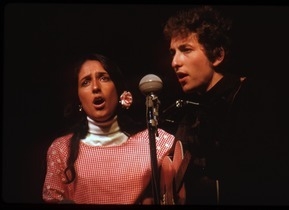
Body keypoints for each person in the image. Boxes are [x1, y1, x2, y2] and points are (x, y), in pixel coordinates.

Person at [162, 5, 289, 205]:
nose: (175, 62)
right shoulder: (189, 116)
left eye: (186, 50)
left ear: (217, 55)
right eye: (173, 53)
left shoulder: (251, 95)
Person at [42, 53, 185, 204]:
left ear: (119, 90)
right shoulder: (62, 149)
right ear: (78, 98)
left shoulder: (153, 141)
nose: (96, 87)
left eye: (104, 78)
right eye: (85, 82)